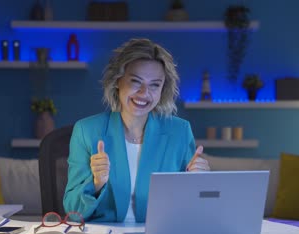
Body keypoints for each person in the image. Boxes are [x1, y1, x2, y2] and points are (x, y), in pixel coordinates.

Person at [63, 38, 210, 223]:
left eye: (154, 84)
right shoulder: (86, 130)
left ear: (163, 89)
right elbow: (72, 211)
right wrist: (96, 183)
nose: (144, 92)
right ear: (118, 81)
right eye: (135, 81)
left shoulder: (180, 131)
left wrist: (200, 183)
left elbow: (193, 212)